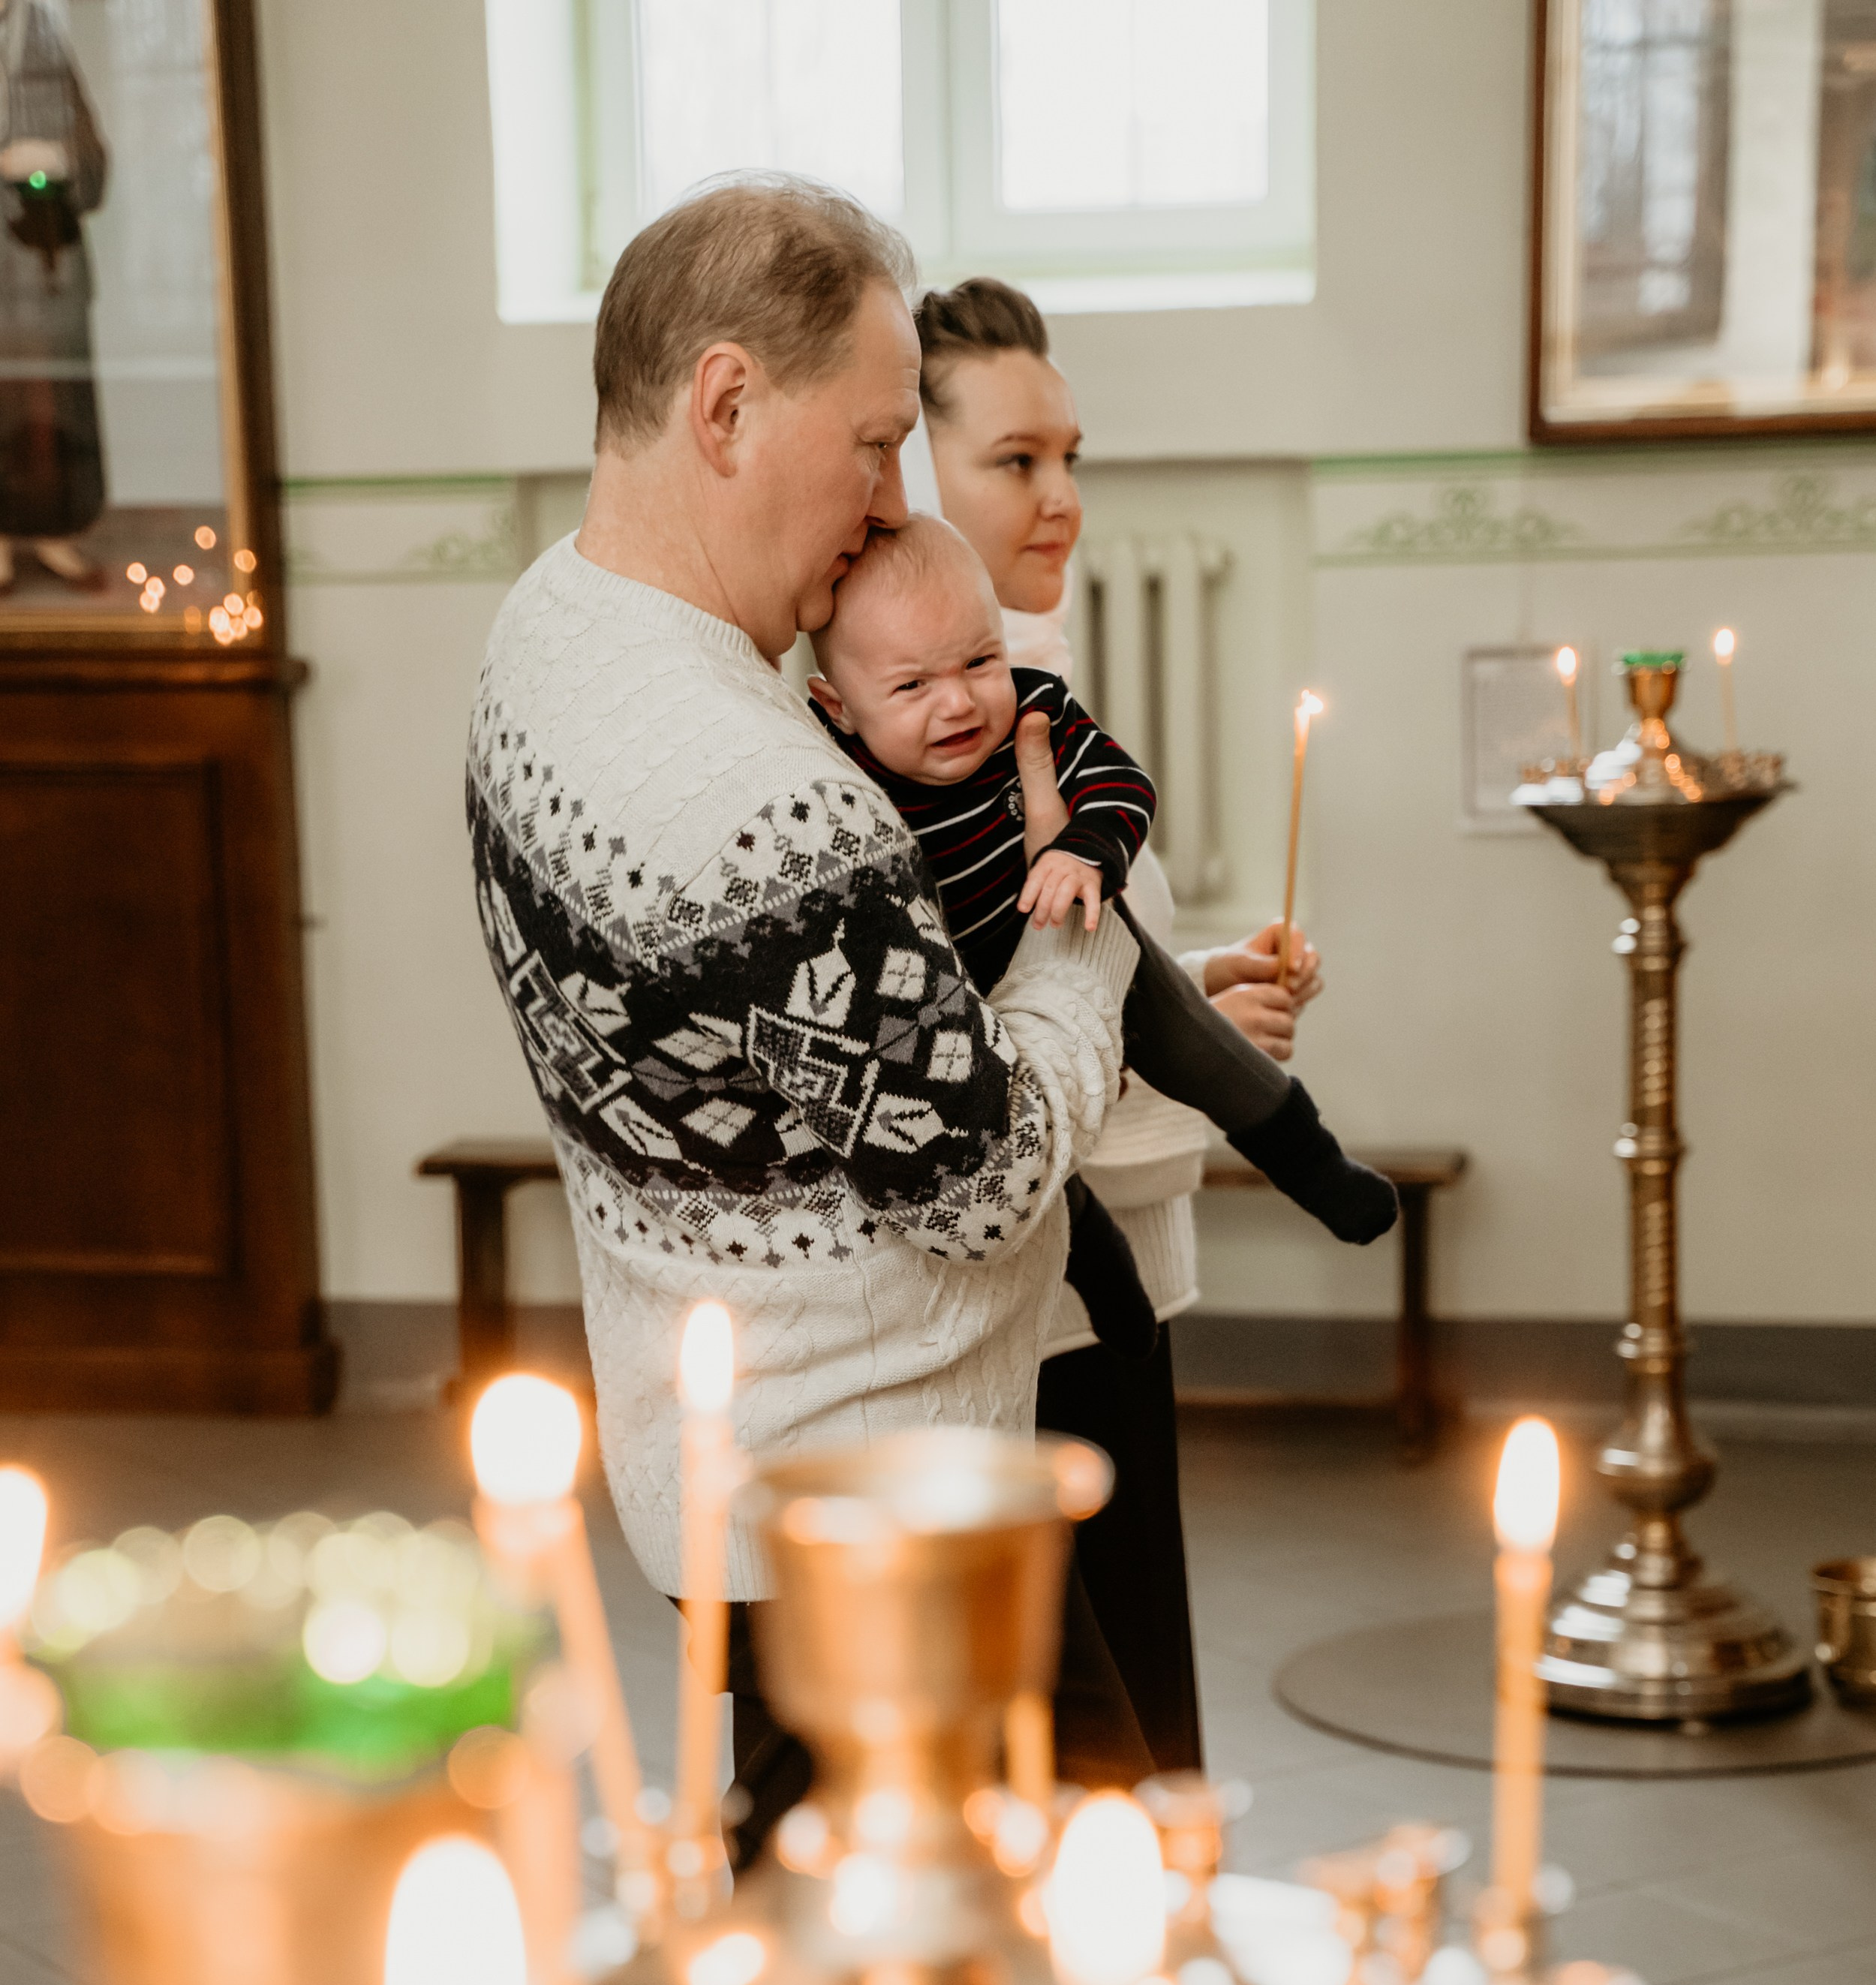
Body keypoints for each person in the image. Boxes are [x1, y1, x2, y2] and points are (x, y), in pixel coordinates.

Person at [467, 180, 1153, 1863]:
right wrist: (1083, 943)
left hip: (715, 1431)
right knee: (1021, 1918)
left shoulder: (543, 628)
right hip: (870, 1501)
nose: (887, 502)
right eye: (868, 445)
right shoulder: (759, 799)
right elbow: (986, 1184)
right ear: (722, 403)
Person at [912, 277, 1327, 1774]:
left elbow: (1081, 976)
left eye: (1068, 456)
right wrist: (1198, 1076)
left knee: (1132, 1719)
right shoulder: (915, 745)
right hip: (1025, 1312)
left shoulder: (1026, 702)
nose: (1062, 500)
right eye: (1013, 461)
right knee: (1086, 1754)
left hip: (1105, 1298)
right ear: (906, 468)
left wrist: (1196, 986)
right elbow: (996, 1057)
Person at [806, 516, 1396, 1355]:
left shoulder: (1032, 710)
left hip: (1085, 935)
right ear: (839, 706)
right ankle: (1109, 1287)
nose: (959, 702)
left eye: (979, 661)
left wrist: (1087, 849)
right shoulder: (836, 778)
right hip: (964, 1005)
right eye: (911, 687)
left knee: (1210, 1055)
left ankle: (1314, 1164)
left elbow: (1121, 782)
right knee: (1031, 1164)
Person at [0, 0, 109, 594]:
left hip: (47, 266)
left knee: (51, 405)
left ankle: (55, 533)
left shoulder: (48, 58)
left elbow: (93, 163)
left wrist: (56, 161)